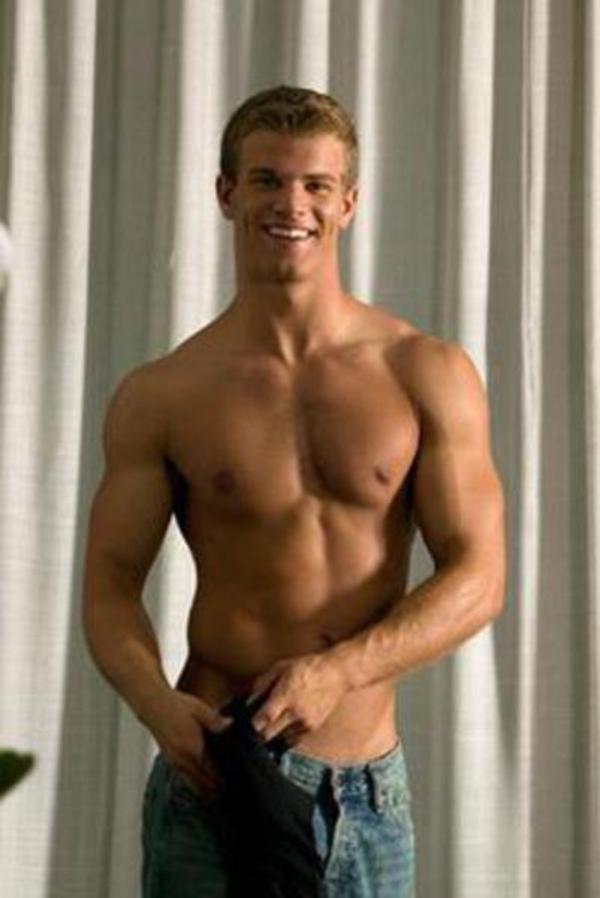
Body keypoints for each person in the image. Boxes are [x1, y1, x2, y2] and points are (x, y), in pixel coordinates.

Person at [82, 85, 507, 897]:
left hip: (363, 797)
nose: (292, 204)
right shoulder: (165, 393)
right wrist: (155, 705)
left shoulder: (425, 372)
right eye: (268, 180)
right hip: (211, 782)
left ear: (348, 203)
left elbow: (479, 578)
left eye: (316, 184)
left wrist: (339, 672)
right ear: (226, 193)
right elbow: (108, 587)